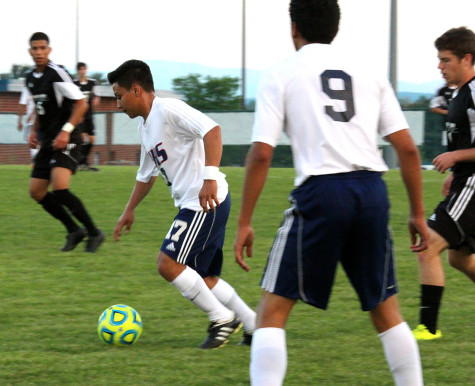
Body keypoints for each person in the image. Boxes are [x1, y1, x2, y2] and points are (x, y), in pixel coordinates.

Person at [233, 1, 428, 384]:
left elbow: (261, 153)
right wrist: (417, 213)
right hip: (372, 191)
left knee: (271, 313)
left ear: (293, 27)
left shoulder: (280, 74)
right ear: (336, 27)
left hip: (322, 192)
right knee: (387, 312)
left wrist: (244, 222)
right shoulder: (371, 73)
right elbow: (407, 149)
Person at [108, 59, 256, 349]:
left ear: (136, 90)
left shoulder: (170, 109)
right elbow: (146, 174)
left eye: (119, 96)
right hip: (200, 203)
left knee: (167, 264)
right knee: (205, 278)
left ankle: (221, 318)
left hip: (204, 202)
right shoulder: (146, 126)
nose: (117, 104)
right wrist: (129, 209)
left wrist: (209, 177)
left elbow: (212, 130)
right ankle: (253, 324)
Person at [412, 26, 475, 341]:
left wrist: (456, 157)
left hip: (474, 186)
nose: (440, 66)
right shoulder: (458, 95)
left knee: (429, 245)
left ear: (467, 58)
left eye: (445, 59)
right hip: (465, 181)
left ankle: (428, 328)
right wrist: (455, 170)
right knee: (459, 257)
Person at [26, 32, 105, 253]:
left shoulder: (57, 73)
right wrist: (34, 130)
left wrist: (66, 131)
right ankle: (74, 230)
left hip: (68, 138)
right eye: (35, 48)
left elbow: (81, 105)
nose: (39, 52)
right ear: (30, 51)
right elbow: (39, 107)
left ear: (49, 50)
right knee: (36, 192)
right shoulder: (30, 78)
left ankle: (94, 232)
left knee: (60, 188)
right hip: (48, 139)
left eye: (43, 48)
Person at [74, 62, 100, 171]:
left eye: (84, 69)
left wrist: (97, 98)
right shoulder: (75, 84)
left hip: (89, 115)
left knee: (92, 140)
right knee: (83, 139)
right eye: (80, 69)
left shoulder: (92, 83)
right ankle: (82, 162)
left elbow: (97, 95)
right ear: (78, 71)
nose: (83, 71)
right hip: (81, 116)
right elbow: (73, 100)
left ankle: (82, 162)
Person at [18, 87, 39, 166]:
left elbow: (22, 104)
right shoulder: (28, 88)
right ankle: (36, 159)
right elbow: (22, 104)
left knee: (32, 140)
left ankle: (35, 160)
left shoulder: (27, 88)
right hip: (38, 120)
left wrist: (30, 115)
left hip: (34, 120)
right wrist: (19, 120)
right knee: (35, 140)